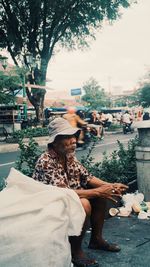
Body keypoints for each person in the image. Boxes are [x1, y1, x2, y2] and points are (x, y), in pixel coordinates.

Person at [32, 117, 128, 267]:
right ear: (55, 142)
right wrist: (100, 191)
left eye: (73, 136)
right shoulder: (45, 161)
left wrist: (110, 186)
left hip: (68, 196)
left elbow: (87, 177)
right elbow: (63, 192)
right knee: (84, 204)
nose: (73, 141)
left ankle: (96, 240)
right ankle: (75, 252)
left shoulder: (69, 156)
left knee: (100, 196)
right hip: (50, 202)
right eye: (67, 137)